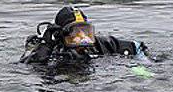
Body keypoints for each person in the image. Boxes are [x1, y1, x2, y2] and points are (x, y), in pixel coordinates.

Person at [20, 5, 149, 65]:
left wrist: (143, 64)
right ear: (61, 35)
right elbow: (26, 67)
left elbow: (136, 46)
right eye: (75, 33)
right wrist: (45, 46)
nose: (82, 39)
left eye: (86, 32)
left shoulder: (100, 45)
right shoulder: (49, 51)